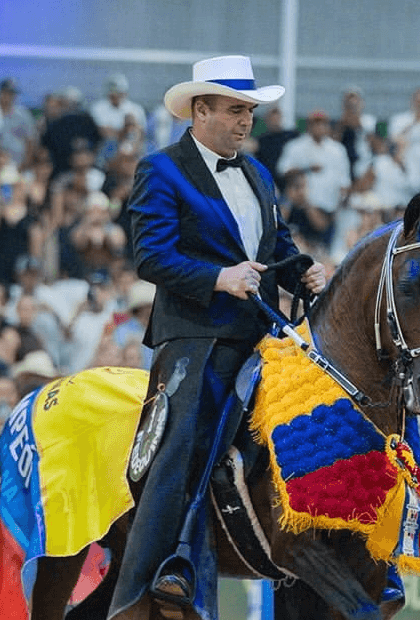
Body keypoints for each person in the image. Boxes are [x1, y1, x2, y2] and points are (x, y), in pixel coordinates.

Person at [114, 54, 326, 616]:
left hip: (261, 334)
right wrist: (217, 277)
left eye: (250, 111)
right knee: (185, 443)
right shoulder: (161, 169)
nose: (245, 121)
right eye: (235, 110)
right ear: (199, 109)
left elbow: (272, 247)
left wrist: (301, 266)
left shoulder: (257, 173)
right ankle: (165, 565)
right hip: (195, 337)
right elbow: (151, 257)